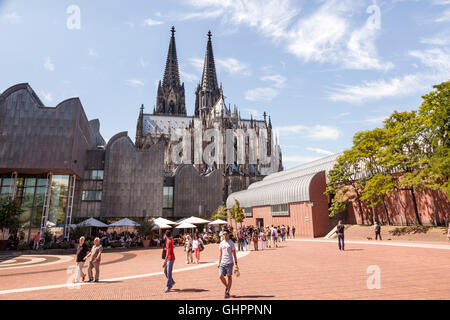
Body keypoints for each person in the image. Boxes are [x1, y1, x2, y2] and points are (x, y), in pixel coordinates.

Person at [218, 230, 239, 299]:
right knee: (220, 276)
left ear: (228, 235)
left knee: (229, 276)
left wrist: (236, 263)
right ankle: (227, 287)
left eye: (226, 234)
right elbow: (220, 254)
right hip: (222, 262)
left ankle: (227, 292)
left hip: (229, 262)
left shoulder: (231, 243)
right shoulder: (221, 243)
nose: (225, 235)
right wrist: (219, 262)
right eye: (223, 234)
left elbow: (234, 254)